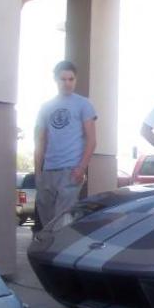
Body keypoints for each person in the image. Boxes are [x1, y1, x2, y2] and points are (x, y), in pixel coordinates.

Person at [34, 60, 97, 228]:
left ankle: (58, 253)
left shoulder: (84, 104)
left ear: (75, 80)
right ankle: (49, 251)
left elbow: (92, 140)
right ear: (56, 80)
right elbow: (40, 141)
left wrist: (81, 168)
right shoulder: (46, 107)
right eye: (63, 79)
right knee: (47, 220)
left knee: (62, 222)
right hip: (48, 171)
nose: (68, 83)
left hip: (71, 171)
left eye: (71, 79)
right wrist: (37, 172)